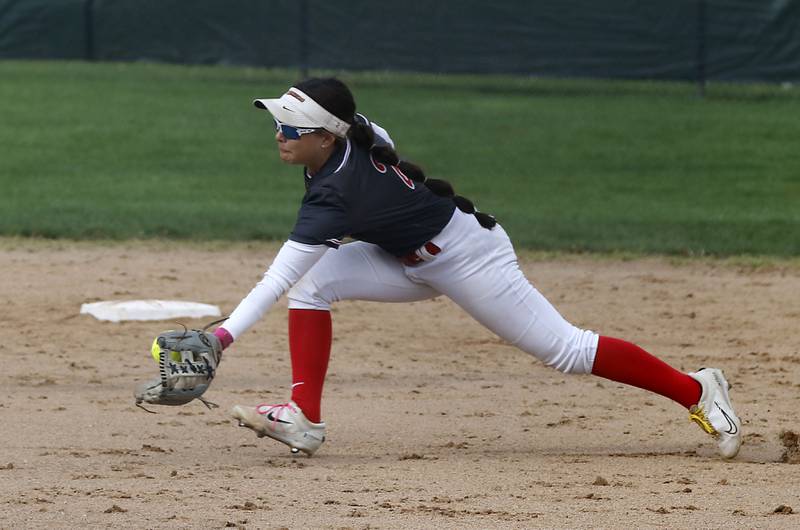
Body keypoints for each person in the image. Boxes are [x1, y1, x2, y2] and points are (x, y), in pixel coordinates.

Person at [214, 78, 742, 459]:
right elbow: (382, 140)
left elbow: (274, 280)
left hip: (468, 254)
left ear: (326, 137)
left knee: (567, 349)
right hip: (405, 259)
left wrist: (222, 337)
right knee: (314, 283)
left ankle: (697, 391)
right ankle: (303, 416)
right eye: (278, 121)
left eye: (291, 126)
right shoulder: (350, 137)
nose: (279, 133)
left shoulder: (332, 193)